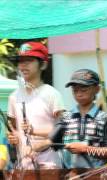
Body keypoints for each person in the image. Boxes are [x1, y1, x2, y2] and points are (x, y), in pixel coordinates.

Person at [35, 69, 107, 168]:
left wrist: (86, 149)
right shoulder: (65, 117)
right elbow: (51, 141)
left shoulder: (104, 118)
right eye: (75, 90)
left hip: (95, 175)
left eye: (84, 90)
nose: (79, 94)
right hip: (69, 174)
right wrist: (34, 147)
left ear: (97, 89)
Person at [7, 41, 64, 169]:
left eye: (29, 60)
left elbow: (62, 129)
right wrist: (12, 136)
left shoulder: (52, 94)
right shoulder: (13, 97)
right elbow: (11, 129)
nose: (23, 65)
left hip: (49, 165)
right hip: (23, 166)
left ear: (43, 65)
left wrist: (34, 132)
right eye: (20, 61)